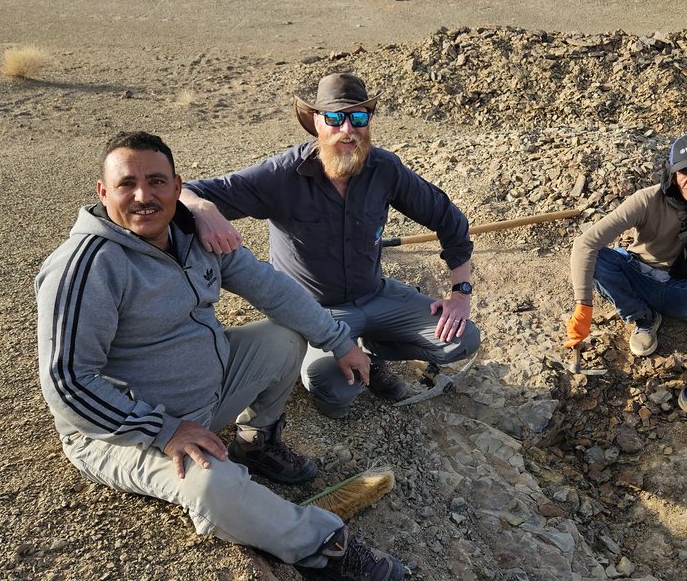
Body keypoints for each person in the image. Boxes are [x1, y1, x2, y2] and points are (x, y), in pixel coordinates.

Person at [36, 130, 403, 581]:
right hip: (127, 432)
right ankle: (323, 544)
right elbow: (66, 381)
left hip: (205, 397)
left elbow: (274, 290)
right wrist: (164, 430)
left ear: (178, 186)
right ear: (102, 192)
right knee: (213, 488)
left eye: (156, 181)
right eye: (127, 184)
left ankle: (257, 440)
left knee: (284, 336)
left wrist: (340, 341)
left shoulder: (195, 236)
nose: (143, 196)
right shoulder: (86, 267)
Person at [179, 72, 480, 419]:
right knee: (335, 390)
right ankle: (344, 360)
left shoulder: (384, 168)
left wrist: (460, 293)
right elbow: (187, 190)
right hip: (315, 314)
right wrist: (203, 209)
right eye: (335, 118)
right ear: (317, 123)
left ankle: (371, 355)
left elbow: (447, 216)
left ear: (368, 122)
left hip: (375, 295)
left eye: (358, 117)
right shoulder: (282, 176)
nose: (347, 129)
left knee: (461, 339)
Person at [563, 133, 687, 446]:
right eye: (685, 172)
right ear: (671, 174)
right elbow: (585, 244)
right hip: (640, 275)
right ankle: (643, 318)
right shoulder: (648, 198)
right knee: (601, 258)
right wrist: (583, 305)